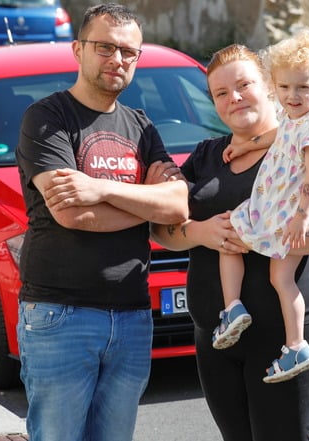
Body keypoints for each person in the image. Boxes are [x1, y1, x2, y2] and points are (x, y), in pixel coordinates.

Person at [151, 42, 309, 440]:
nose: (234, 98)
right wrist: (202, 232)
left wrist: (258, 234)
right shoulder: (207, 156)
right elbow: (162, 228)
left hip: (285, 336)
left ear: (268, 86)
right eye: (221, 93)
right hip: (217, 334)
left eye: (244, 84)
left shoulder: (303, 148)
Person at [14, 3, 188, 441]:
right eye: (105, 47)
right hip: (61, 314)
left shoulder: (142, 127)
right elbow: (73, 213)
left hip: (132, 314)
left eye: (128, 52)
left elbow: (176, 208)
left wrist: (104, 189)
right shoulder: (47, 119)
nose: (118, 60)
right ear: (78, 49)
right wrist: (145, 202)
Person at [212, 26, 309, 385]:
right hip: (276, 207)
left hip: (284, 213)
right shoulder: (292, 115)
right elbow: (275, 135)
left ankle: (234, 310)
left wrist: (302, 218)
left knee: (230, 235)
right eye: (284, 88)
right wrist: (246, 145)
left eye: (303, 87)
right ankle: (291, 342)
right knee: (277, 275)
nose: (292, 95)